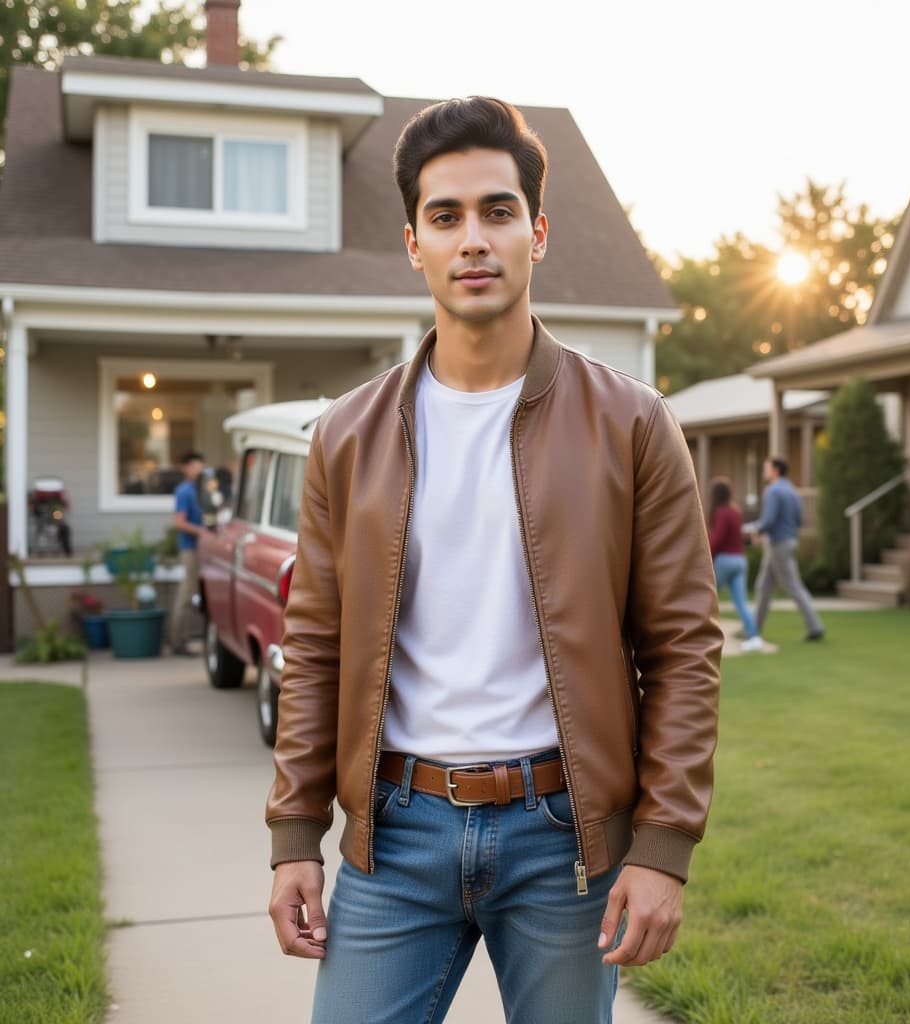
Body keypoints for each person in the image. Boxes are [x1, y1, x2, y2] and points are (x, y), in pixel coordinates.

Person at [265, 96, 722, 1024]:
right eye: (446, 217)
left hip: (564, 837)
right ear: (414, 244)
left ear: (537, 232)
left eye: (497, 211)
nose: (473, 238)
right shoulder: (347, 435)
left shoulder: (632, 423)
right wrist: (294, 837)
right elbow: (314, 645)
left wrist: (662, 846)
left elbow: (682, 647)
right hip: (394, 837)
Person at [750, 456, 825, 641]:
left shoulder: (773, 491)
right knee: (764, 586)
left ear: (775, 470)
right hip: (789, 541)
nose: (764, 471)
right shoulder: (792, 490)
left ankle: (815, 627)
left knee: (793, 586)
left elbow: (768, 521)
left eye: (766, 468)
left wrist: (752, 530)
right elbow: (800, 519)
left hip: (778, 544)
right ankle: (754, 628)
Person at [706, 477, 763, 652]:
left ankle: (700, 637)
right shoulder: (736, 511)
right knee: (741, 603)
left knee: (705, 598)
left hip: (724, 561)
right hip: (740, 561)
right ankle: (754, 637)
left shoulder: (721, 513)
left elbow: (718, 539)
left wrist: (707, 555)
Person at [167, 450, 206, 656]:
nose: (198, 469)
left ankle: (185, 638)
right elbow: (179, 522)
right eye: (194, 465)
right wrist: (201, 531)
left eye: (200, 465)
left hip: (200, 548)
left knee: (193, 594)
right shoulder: (184, 491)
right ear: (186, 468)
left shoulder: (199, 489)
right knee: (186, 593)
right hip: (189, 548)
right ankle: (177, 640)